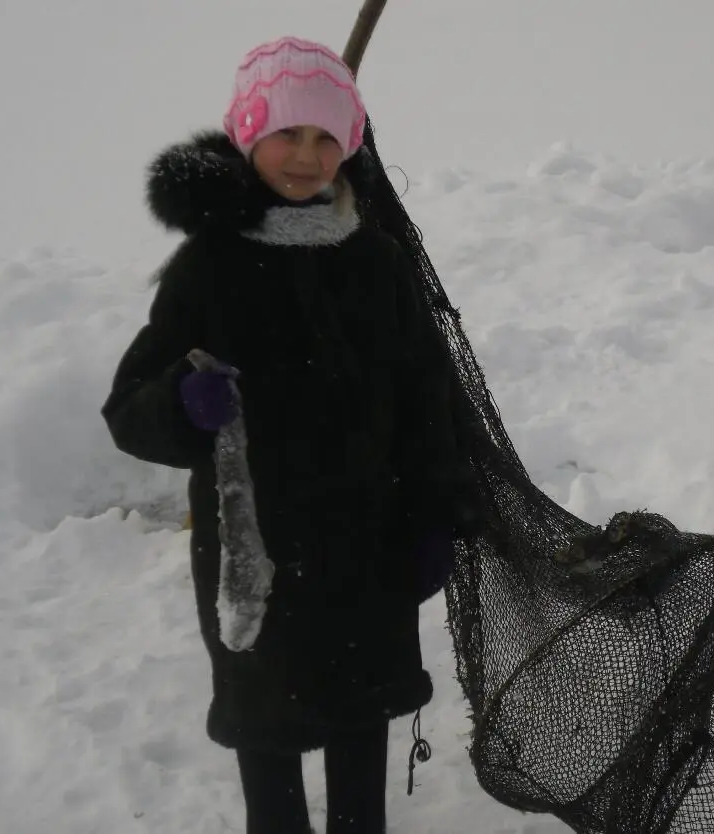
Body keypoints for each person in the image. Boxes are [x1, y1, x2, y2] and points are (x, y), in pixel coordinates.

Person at [102, 35, 479, 834]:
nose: (306, 158)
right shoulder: (209, 268)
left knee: (359, 719)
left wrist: (434, 518)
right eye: (287, 134)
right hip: (256, 555)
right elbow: (128, 407)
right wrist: (181, 402)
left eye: (325, 137)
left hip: (368, 548)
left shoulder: (374, 262)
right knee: (267, 726)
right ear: (248, 133)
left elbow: (426, 400)